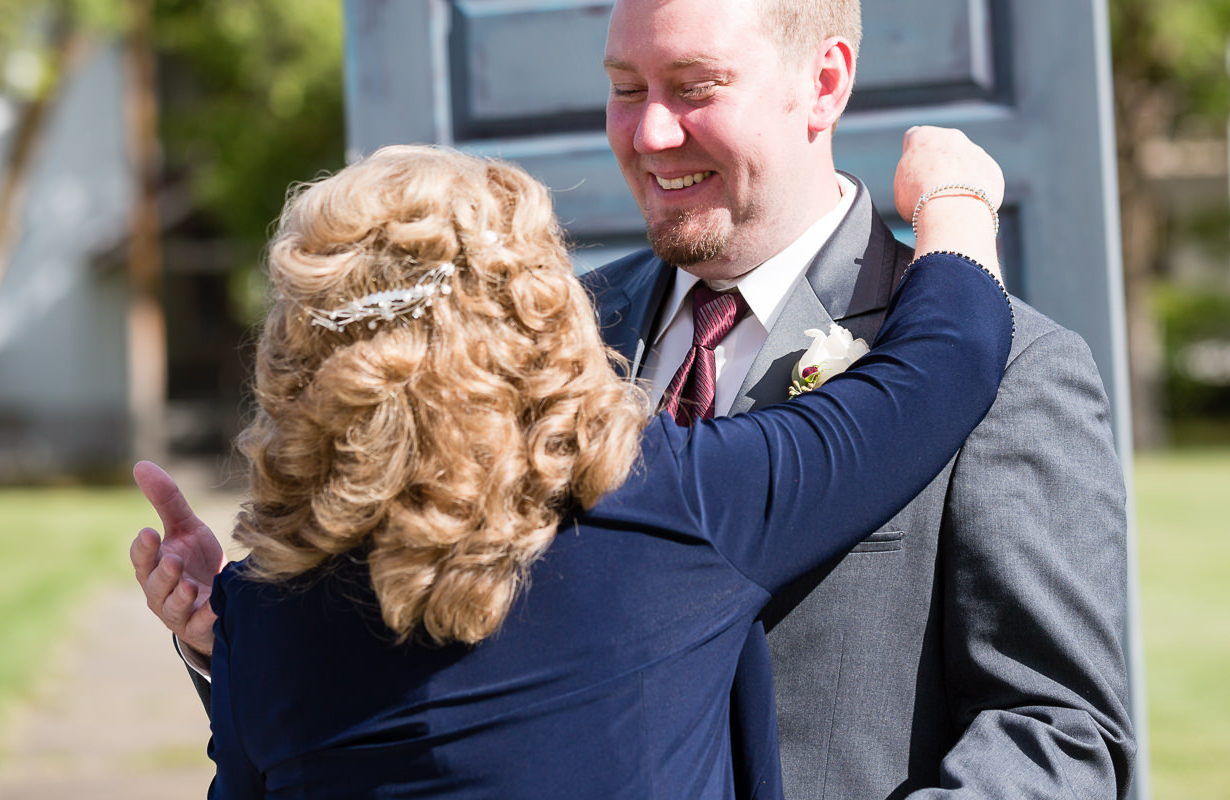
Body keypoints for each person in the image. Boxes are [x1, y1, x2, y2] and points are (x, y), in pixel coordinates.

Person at [135, 0, 1135, 798]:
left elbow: (1064, 735)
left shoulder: (1012, 369)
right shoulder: (513, 347)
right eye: (625, 87)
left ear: (823, 82)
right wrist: (238, 646)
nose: (650, 132)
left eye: (693, 85)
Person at [198, 135, 1011, 797]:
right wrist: (956, 197)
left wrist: (217, 641)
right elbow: (946, 362)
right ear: (539, 310)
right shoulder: (669, 504)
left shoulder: (264, 611)